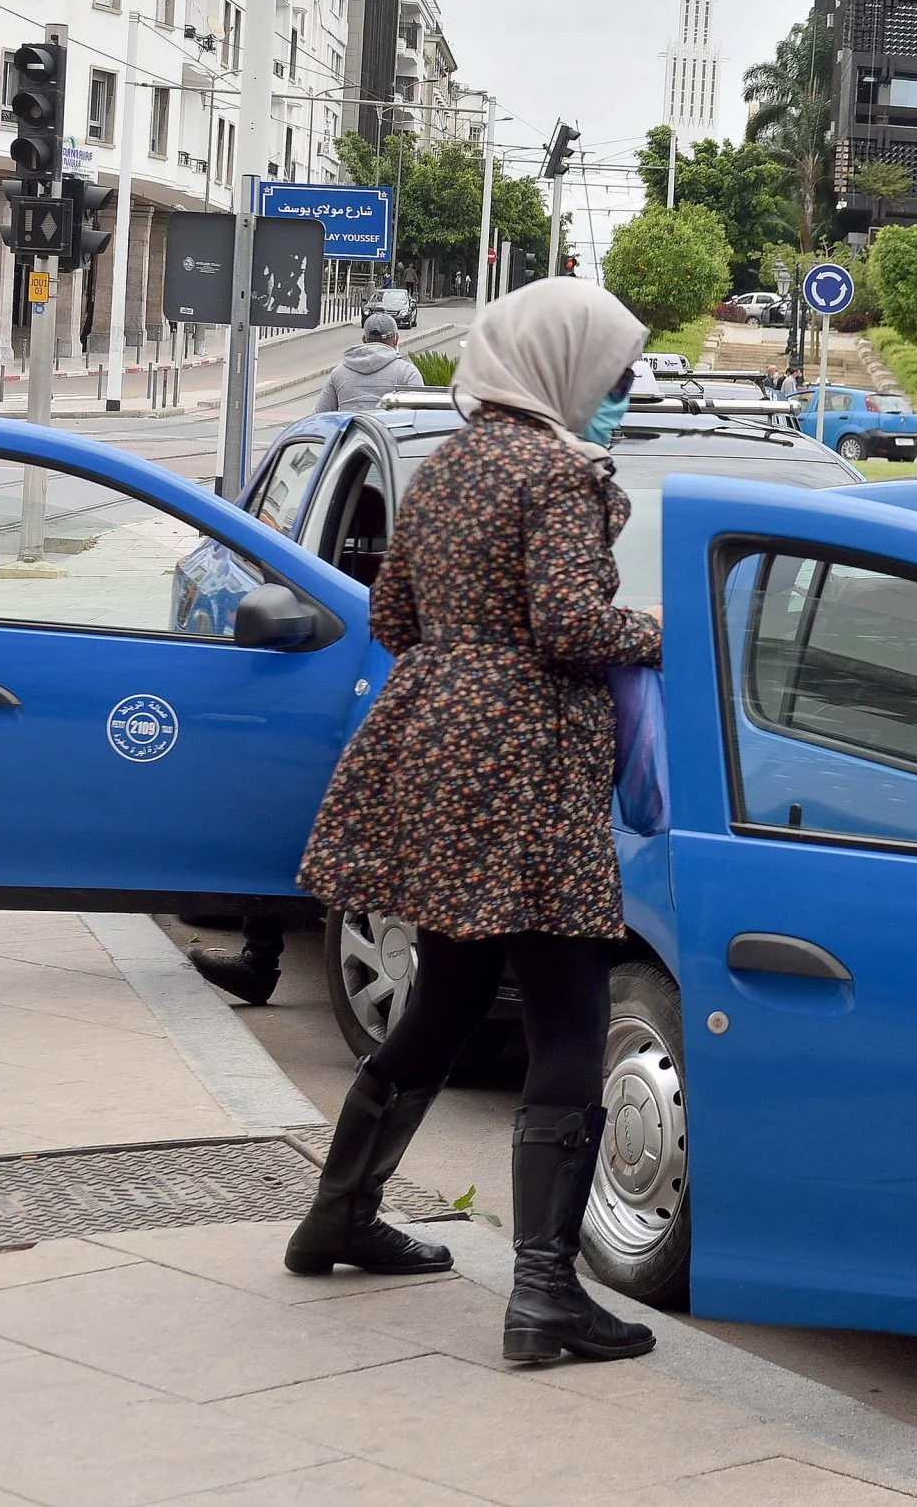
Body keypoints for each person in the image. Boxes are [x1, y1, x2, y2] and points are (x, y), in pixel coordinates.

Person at [288, 279, 663, 1366]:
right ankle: (543, 1293)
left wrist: (466, 662)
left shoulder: (447, 463)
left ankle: (339, 1214)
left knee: (448, 989)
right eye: (616, 371)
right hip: (528, 759)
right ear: (566, 365)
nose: (622, 390)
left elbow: (391, 615)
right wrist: (653, 627)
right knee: (569, 1012)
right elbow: (568, 623)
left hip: (435, 742)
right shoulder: (562, 472)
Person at [316, 311, 423, 413]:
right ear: (396, 339)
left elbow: (320, 415)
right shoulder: (408, 372)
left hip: (353, 431)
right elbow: (420, 415)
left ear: (363, 339)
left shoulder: (338, 373)